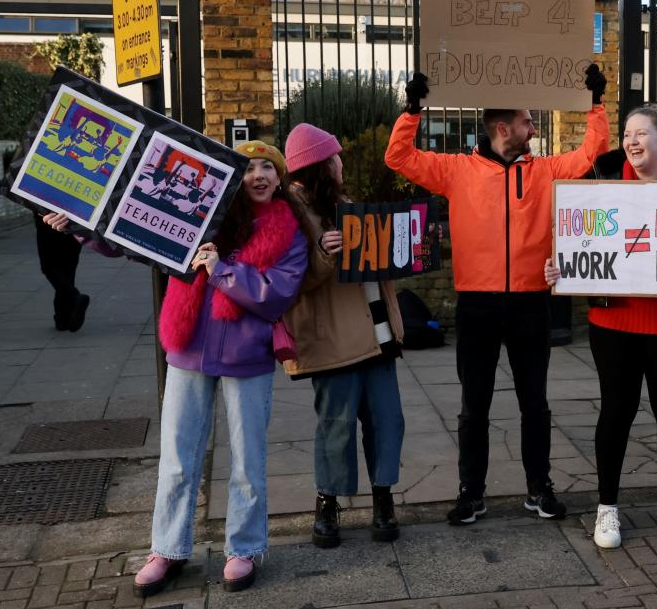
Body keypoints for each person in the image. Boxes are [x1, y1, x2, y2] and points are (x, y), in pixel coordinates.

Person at [47, 140, 309, 596]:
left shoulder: (289, 229)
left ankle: (244, 548)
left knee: (248, 459)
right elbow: (136, 236)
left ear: (280, 177)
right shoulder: (201, 212)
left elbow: (279, 292)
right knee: (176, 458)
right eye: (249, 168)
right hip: (187, 346)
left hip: (247, 356)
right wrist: (80, 227)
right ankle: (167, 548)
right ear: (234, 177)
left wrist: (223, 269)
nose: (259, 176)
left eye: (269, 167)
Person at [384, 65, 610, 525]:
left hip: (531, 301)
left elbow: (592, 151)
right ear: (504, 128)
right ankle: (471, 492)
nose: (534, 128)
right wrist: (413, 110)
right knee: (474, 405)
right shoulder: (457, 170)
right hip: (477, 303)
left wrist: (596, 104)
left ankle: (539, 487)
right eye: (529, 121)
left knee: (535, 402)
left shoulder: (544, 170)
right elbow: (399, 158)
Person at [544, 106, 657, 549]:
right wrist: (558, 267)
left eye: (640, 133)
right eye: (626, 133)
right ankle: (606, 509)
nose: (630, 141)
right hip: (615, 322)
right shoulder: (600, 178)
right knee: (616, 412)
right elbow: (572, 234)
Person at [281, 123, 406, 549]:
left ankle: (383, 499)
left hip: (378, 333)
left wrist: (407, 244)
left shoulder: (346, 204)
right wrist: (323, 254)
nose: (341, 162)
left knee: (387, 421)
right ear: (319, 164)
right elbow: (290, 282)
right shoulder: (292, 213)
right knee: (335, 426)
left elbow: (377, 259)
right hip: (334, 341)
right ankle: (327, 503)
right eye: (334, 157)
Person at [35, 212, 90, 332]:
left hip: (48, 219)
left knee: (49, 266)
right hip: (73, 220)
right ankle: (62, 318)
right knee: (68, 267)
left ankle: (74, 296)